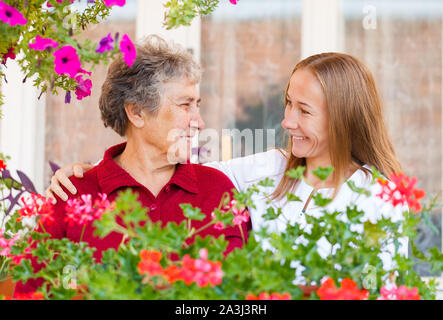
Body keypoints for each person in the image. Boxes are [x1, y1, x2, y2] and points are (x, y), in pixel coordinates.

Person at [46, 52, 408, 277]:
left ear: (342, 118)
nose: (287, 121)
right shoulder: (270, 170)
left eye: (304, 111)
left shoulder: (379, 197)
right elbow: (155, 164)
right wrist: (87, 173)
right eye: (287, 104)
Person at [15, 35, 250, 294]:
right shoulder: (74, 194)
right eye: (185, 105)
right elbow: (30, 292)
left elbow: (237, 293)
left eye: (197, 105)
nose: (199, 121)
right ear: (136, 112)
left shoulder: (217, 190)